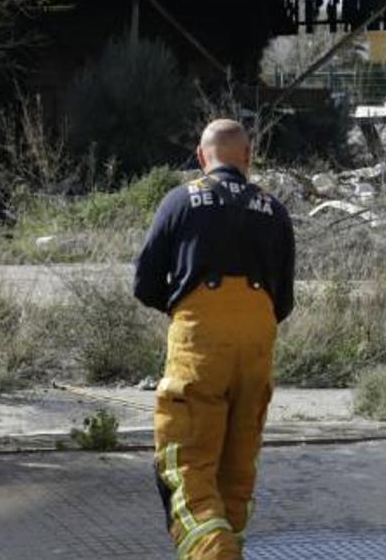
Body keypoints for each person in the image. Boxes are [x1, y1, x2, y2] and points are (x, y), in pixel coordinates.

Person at [134, 119, 296, 560]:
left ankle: (214, 554)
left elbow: (145, 283)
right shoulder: (274, 209)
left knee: (185, 469)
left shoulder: (180, 201)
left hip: (201, 347)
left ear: (201, 157)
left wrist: (186, 309)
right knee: (236, 474)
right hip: (257, 347)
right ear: (247, 157)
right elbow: (284, 301)